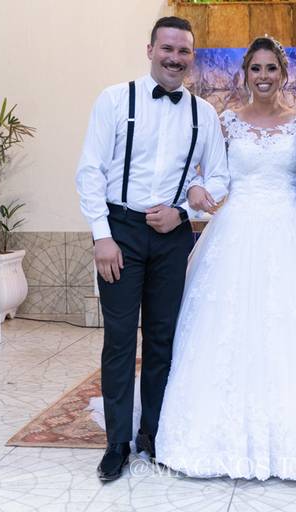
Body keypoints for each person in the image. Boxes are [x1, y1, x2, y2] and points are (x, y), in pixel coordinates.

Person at [152, 36, 296, 480]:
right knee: (228, 329)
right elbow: (206, 174)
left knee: (295, 329)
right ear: (245, 74)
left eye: (271, 68)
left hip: (290, 230)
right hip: (236, 232)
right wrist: (196, 189)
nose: (263, 76)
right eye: (256, 68)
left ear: (283, 74)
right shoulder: (225, 121)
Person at [75, 16, 228, 482]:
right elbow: (90, 171)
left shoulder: (205, 114)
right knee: (120, 339)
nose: (175, 58)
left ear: (192, 57)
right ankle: (117, 442)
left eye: (184, 51)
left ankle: (153, 433)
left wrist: (184, 210)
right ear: (150, 50)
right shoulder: (114, 100)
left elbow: (220, 177)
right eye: (167, 48)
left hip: (172, 237)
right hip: (119, 231)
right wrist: (102, 235)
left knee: (163, 338)